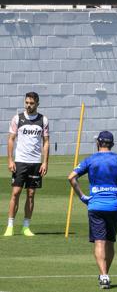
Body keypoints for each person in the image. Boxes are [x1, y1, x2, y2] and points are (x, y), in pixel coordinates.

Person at [68, 131, 117, 289]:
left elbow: (71, 177)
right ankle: (106, 273)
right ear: (112, 144)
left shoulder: (90, 160)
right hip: (114, 205)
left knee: (99, 241)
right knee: (110, 241)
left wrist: (82, 197)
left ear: (98, 143)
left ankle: (104, 276)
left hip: (96, 205)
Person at [4, 92, 49, 237]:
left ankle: (26, 226)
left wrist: (45, 162)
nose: (28, 106)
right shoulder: (18, 118)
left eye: (31, 103)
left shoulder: (43, 120)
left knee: (31, 194)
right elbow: (11, 139)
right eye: (27, 103)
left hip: (35, 163)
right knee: (15, 193)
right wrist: (10, 160)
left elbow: (46, 141)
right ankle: (10, 226)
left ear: (37, 104)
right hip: (20, 161)